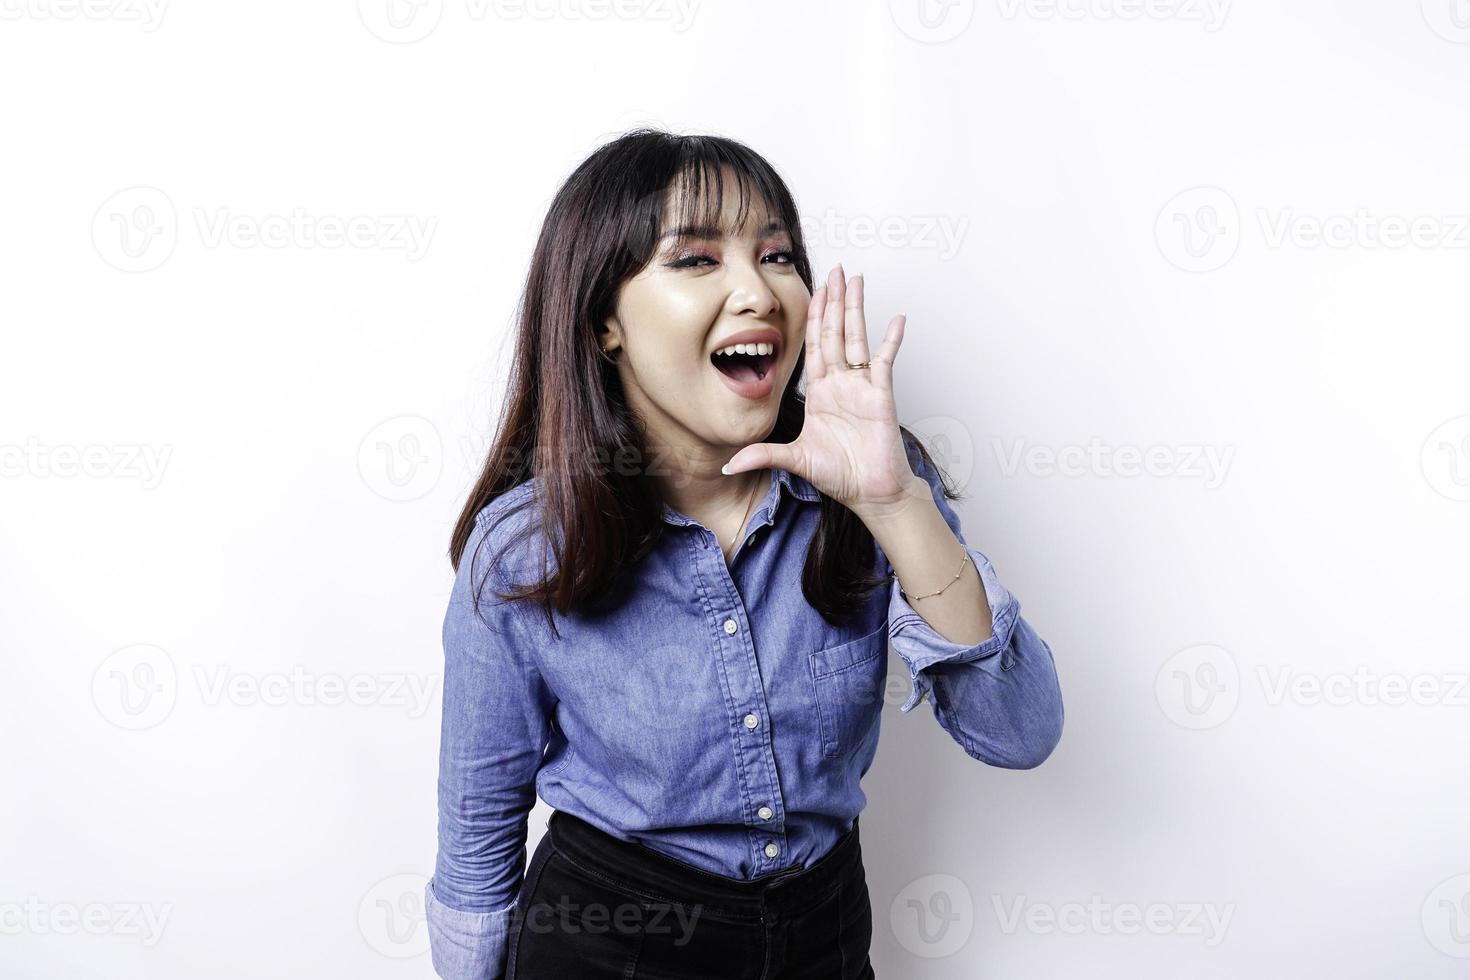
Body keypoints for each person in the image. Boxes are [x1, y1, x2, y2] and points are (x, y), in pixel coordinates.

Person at [425, 128, 1065, 980]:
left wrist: (894, 505)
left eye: (777, 255)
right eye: (695, 260)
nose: (757, 291)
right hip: (605, 945)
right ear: (603, 322)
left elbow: (1020, 733)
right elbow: (477, 846)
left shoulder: (876, 485)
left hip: (825, 939)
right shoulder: (524, 549)